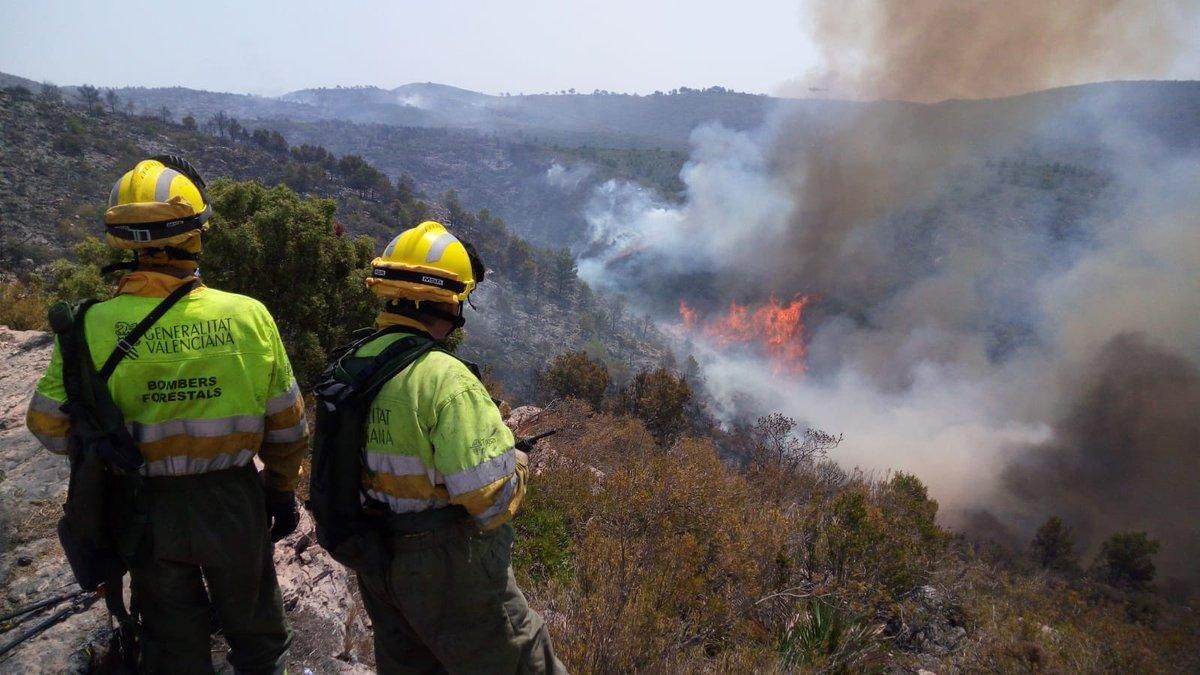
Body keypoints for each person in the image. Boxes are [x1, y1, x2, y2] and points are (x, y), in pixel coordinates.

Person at [25, 156, 307, 674]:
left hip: (142, 508)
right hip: (232, 503)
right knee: (260, 640)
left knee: (173, 645)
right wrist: (281, 489)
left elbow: (46, 424)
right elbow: (289, 427)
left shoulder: (89, 326)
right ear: (196, 235)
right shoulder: (248, 317)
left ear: (121, 241)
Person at [335, 220, 565, 673]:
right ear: (451, 299)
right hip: (447, 564)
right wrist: (516, 462)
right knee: (528, 663)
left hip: (377, 560)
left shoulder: (352, 364)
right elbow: (492, 500)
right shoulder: (447, 380)